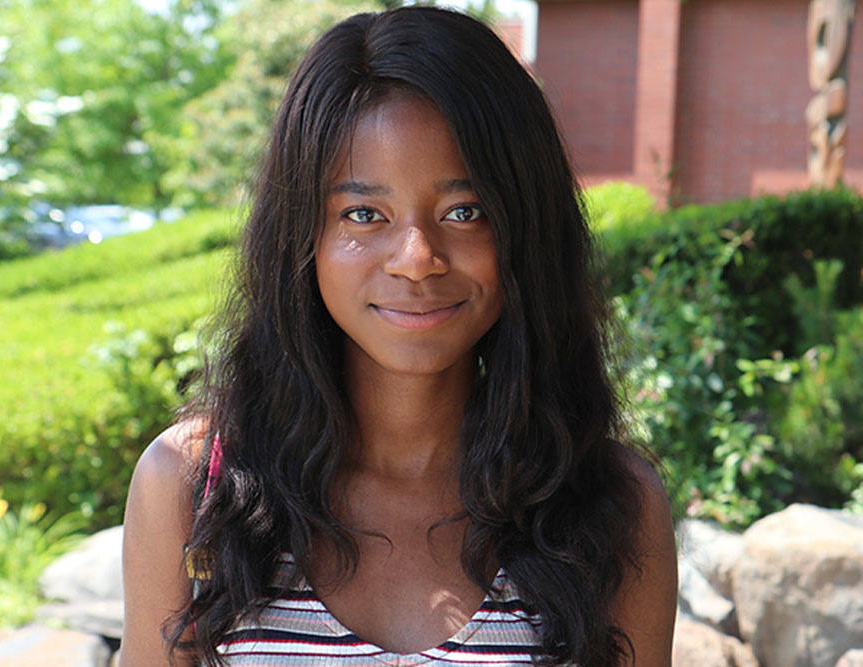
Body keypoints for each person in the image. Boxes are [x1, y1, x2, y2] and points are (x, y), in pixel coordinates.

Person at [120, 6, 677, 667]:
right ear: (302, 237)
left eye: (464, 212)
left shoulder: (610, 504)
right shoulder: (194, 486)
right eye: (364, 213)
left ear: (527, 229)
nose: (417, 256)